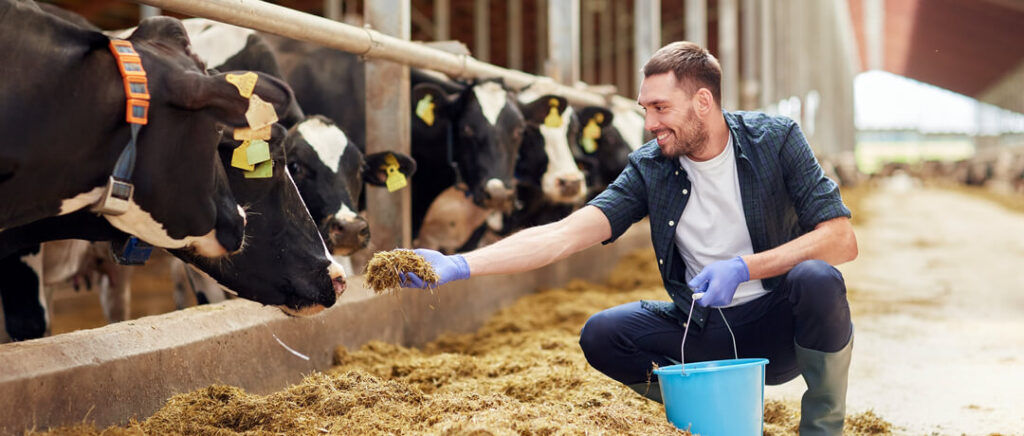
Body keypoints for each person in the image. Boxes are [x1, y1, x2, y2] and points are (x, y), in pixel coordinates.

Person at [399, 41, 857, 436]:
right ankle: (707, 408)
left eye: (661, 108)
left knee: (818, 280)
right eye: (646, 110)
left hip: (782, 328)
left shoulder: (774, 140)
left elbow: (841, 239)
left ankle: (821, 428)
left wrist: (744, 268)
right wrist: (460, 264)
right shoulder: (650, 167)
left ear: (703, 101)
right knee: (603, 334)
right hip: (704, 329)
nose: (650, 123)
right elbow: (564, 234)